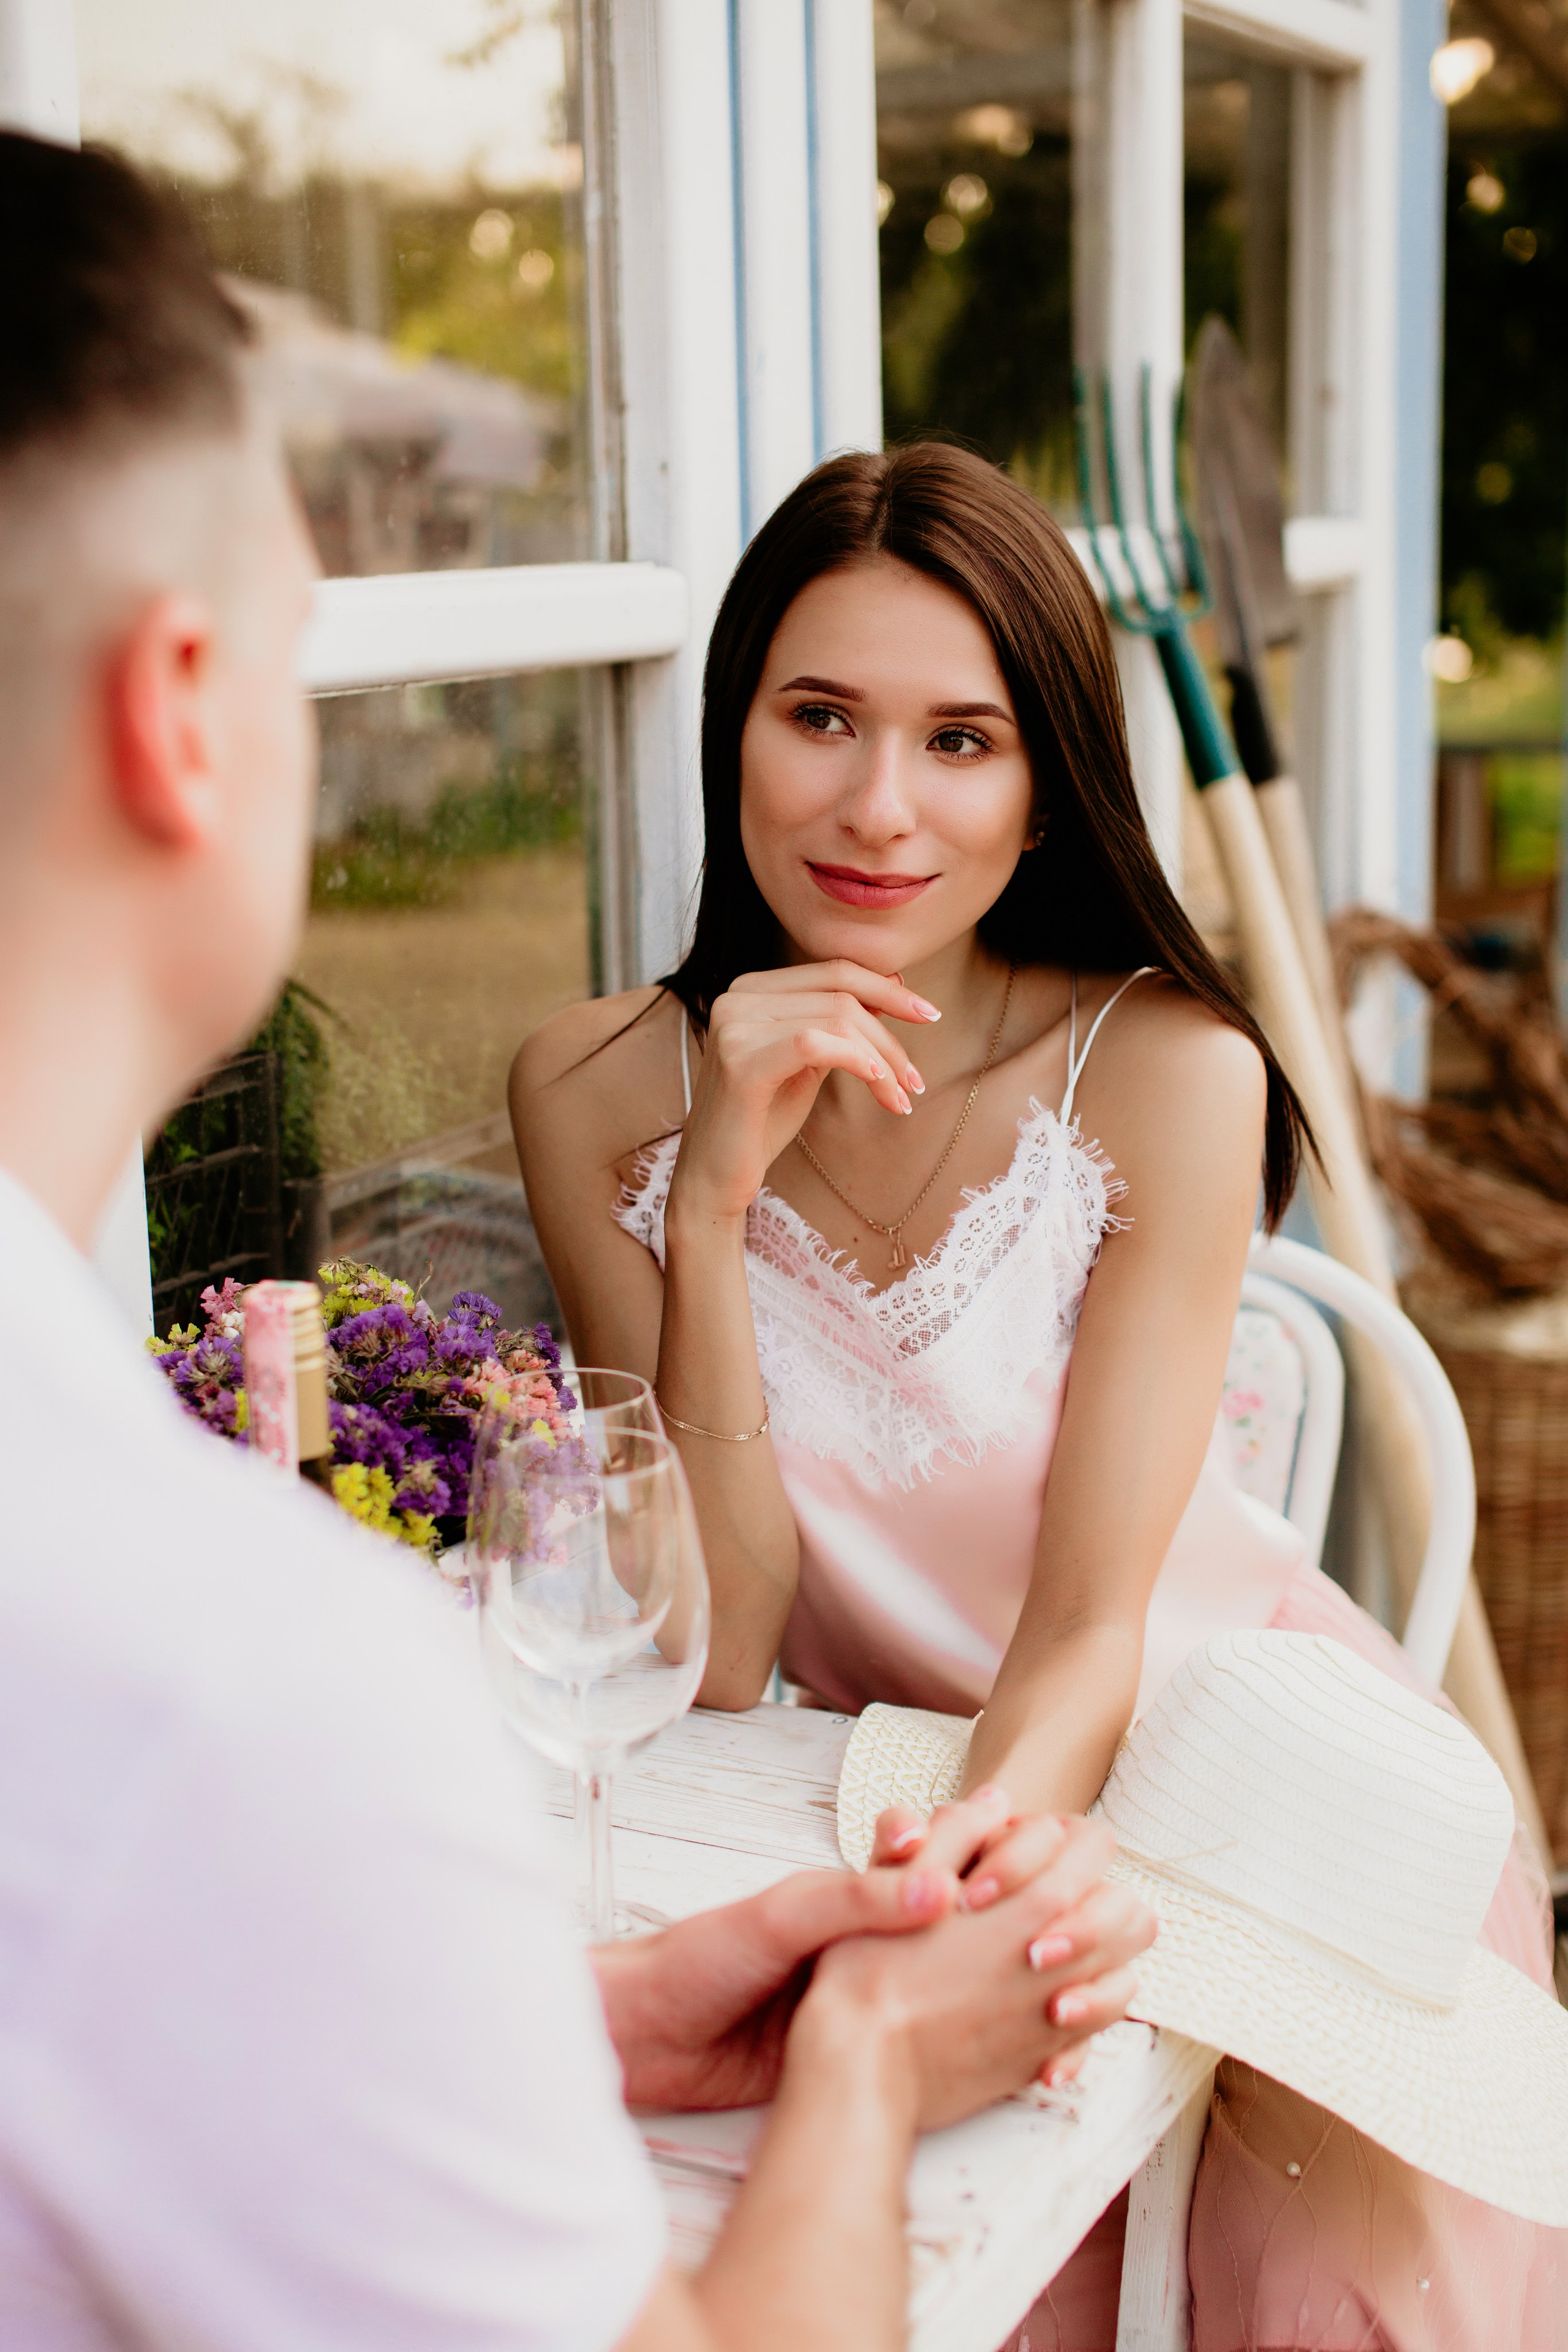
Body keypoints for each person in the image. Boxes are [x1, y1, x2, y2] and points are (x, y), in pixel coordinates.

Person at [0, 132, 1156, 2352]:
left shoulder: (191, 1706)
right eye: (299, 644)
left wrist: (583, 2007)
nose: (879, 803)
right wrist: (867, 2059)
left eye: (960, 739)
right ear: (179, 709)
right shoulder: (238, 1678)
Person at [514, 443, 1559, 2346]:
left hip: (1230, 1769)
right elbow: (723, 1641)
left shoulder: (1163, 1063)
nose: (878, 809)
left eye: (962, 742)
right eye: (819, 716)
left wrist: (943, 1943)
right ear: (731, 727)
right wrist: (721, 1198)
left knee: (1306, 2295)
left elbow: (1090, 1626)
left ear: (1042, 787)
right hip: (841, 1776)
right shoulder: (593, 1087)